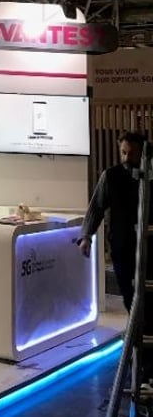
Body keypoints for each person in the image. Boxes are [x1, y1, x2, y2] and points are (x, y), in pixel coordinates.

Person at [79, 131, 145, 312]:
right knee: (128, 294)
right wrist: (86, 236)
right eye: (123, 152)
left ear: (142, 152)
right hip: (121, 244)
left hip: (147, 244)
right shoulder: (110, 176)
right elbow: (96, 207)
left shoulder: (149, 176)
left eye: (132, 153)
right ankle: (136, 325)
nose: (127, 158)